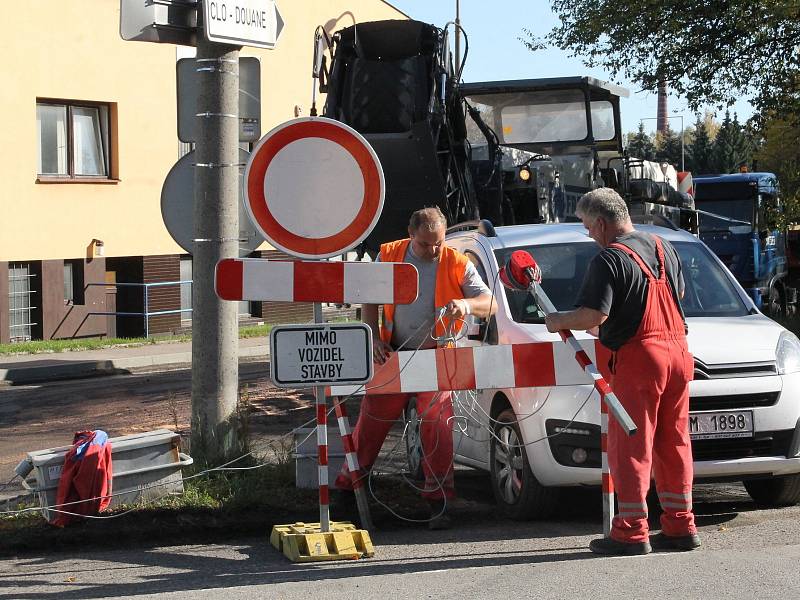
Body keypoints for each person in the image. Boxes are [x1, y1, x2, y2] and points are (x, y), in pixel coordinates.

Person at [544, 188, 699, 555]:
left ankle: (631, 532)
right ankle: (681, 525)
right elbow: (676, 298)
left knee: (631, 445)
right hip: (678, 354)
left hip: (640, 360)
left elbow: (593, 315)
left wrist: (557, 321)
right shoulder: (663, 248)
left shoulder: (608, 259)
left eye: (586, 226)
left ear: (600, 223)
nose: (587, 234)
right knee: (674, 442)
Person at [334, 207, 496, 529]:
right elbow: (370, 295)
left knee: (437, 424)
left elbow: (489, 301)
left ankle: (438, 501)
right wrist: (372, 337)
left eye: (438, 243)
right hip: (393, 355)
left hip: (437, 358)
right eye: (425, 244)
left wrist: (465, 304)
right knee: (372, 422)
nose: (433, 250)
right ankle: (348, 492)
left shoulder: (456, 262)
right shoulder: (390, 254)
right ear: (411, 235)